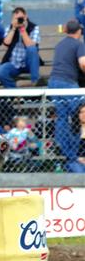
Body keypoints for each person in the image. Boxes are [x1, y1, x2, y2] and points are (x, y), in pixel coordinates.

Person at [47, 19, 85, 172]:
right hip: (68, 83)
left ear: (65, 30)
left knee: (62, 118)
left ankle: (65, 154)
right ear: (79, 32)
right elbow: (83, 64)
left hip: (53, 83)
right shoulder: (79, 44)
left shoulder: (60, 44)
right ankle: (77, 154)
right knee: (79, 115)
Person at [0, 7, 41, 88]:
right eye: (16, 18)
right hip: (14, 62)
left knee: (32, 49)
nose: (19, 20)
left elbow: (30, 45)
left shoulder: (33, 27)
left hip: (29, 63)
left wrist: (22, 29)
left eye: (21, 18)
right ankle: (15, 93)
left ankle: (35, 81)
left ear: (25, 17)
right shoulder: (10, 28)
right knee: (0, 72)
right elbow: (6, 43)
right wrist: (13, 28)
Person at [70, 103, 85, 173]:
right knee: (79, 169)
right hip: (76, 161)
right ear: (78, 114)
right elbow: (68, 149)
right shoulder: (73, 131)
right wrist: (77, 158)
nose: (84, 114)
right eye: (81, 112)